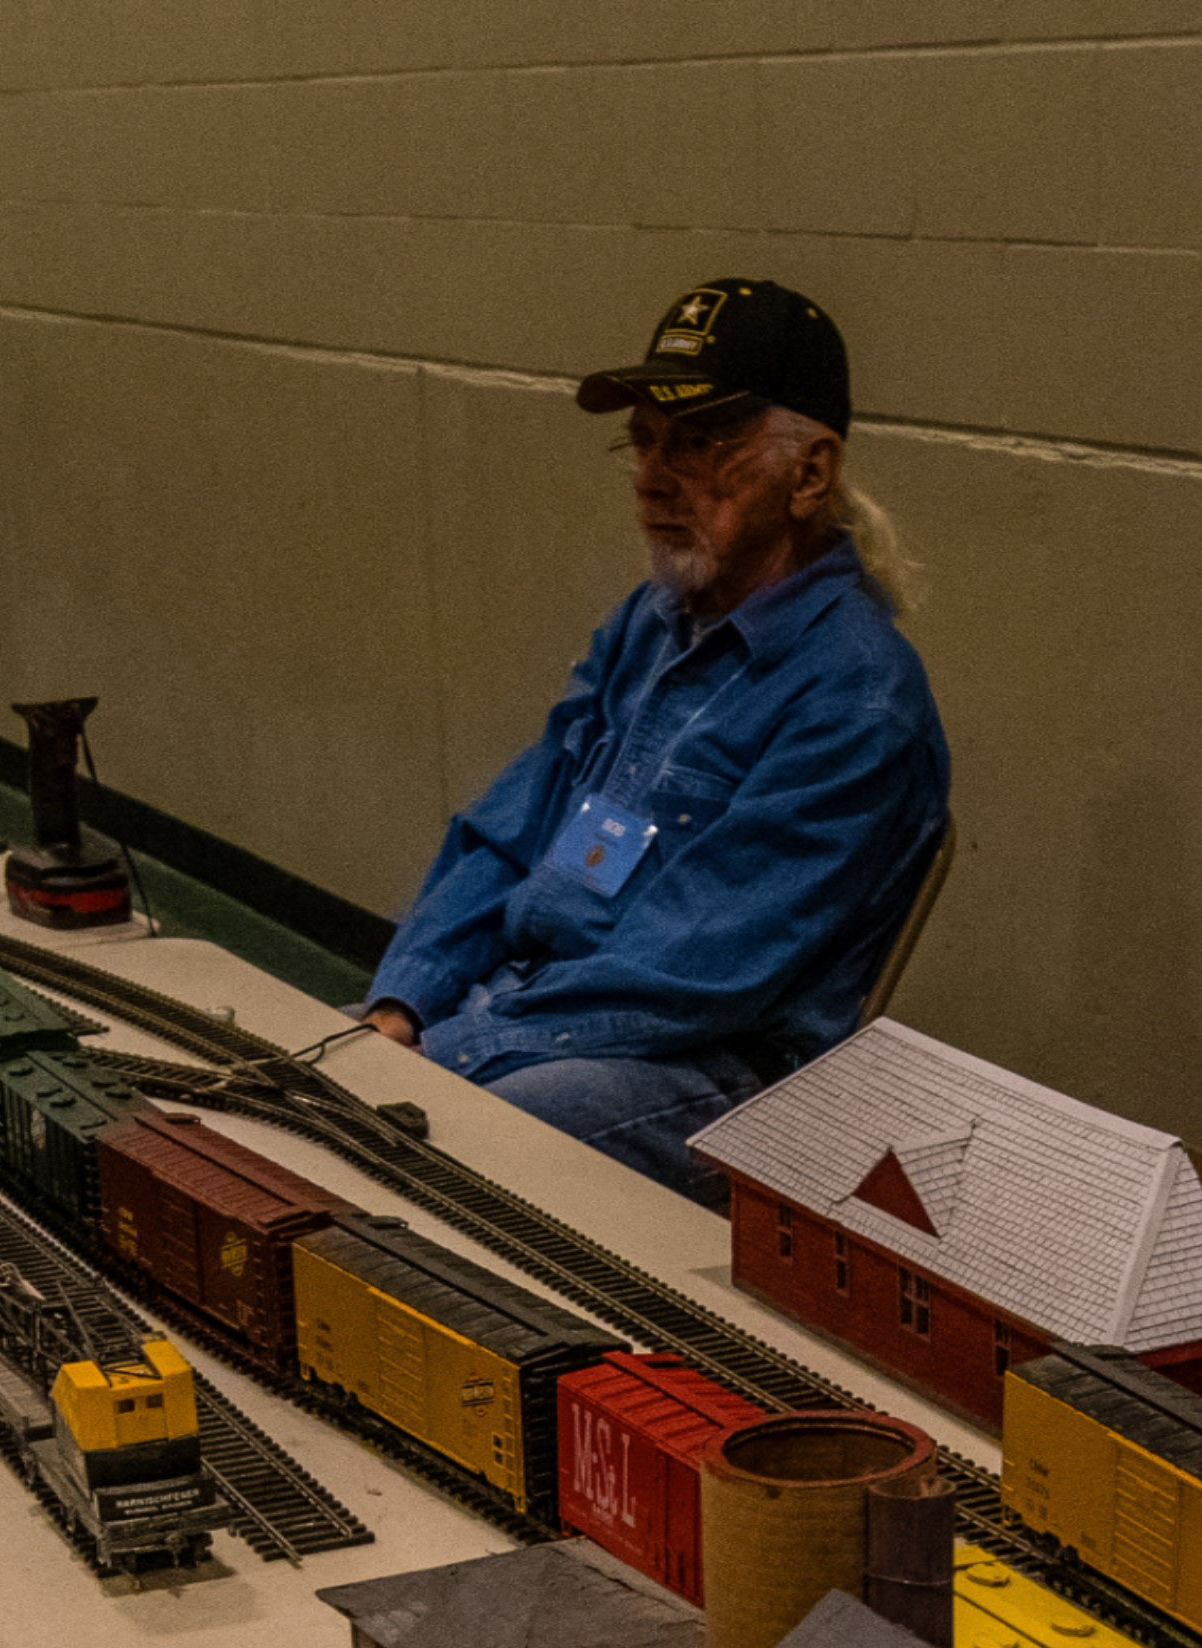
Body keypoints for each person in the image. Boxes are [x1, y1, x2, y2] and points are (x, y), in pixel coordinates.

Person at [363, 278, 948, 1201]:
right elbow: (507, 833)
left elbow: (696, 975)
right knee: (321, 1087)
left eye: (700, 442)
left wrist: (454, 1051)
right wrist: (401, 1007)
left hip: (714, 1066)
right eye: (644, 441)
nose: (652, 477)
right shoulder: (652, 621)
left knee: (436, 1149)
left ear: (809, 474)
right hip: (549, 1008)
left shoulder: (857, 699)